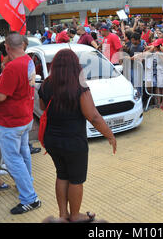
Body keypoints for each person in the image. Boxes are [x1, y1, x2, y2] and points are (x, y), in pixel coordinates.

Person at [38, 49, 116, 223]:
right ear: (75, 65)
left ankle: (63, 214)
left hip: (52, 140)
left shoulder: (46, 84)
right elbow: (93, 116)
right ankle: (75, 215)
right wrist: (109, 135)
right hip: (73, 141)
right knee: (76, 179)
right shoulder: (79, 86)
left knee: (62, 174)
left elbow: (43, 107)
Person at [0, 32, 41, 215]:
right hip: (24, 118)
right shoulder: (29, 61)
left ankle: (30, 198)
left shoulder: (12, 67)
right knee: (23, 154)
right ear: (22, 45)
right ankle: (26, 183)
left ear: (6, 47)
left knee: (14, 160)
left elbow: (0, 96)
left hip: (11, 122)